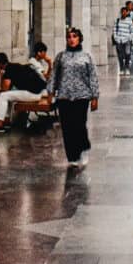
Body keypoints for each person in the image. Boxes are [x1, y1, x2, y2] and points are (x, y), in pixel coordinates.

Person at [46, 27, 100, 168]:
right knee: (67, 127)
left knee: (79, 125)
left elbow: (93, 77)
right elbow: (54, 75)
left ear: (79, 38)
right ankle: (72, 156)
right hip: (64, 96)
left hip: (81, 96)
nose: (71, 39)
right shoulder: (61, 56)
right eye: (69, 37)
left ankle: (83, 147)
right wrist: (50, 93)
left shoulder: (87, 56)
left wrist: (95, 97)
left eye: (74, 36)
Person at [0, 51, 48, 133]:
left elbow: (4, 89)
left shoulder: (8, 69)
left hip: (32, 94)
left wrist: (1, 74)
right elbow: (8, 88)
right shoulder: (15, 66)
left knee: (3, 96)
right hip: (38, 92)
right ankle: (6, 121)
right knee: (7, 96)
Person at [112, 6, 133, 74]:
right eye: (122, 11)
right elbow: (114, 29)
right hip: (119, 40)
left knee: (127, 54)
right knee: (120, 55)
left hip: (127, 40)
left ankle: (127, 68)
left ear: (127, 12)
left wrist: (130, 38)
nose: (123, 13)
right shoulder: (117, 20)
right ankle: (121, 68)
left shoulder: (129, 21)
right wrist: (116, 37)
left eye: (125, 11)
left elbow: (132, 31)